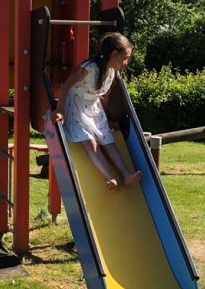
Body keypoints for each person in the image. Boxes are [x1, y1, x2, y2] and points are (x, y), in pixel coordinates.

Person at [53, 32, 143, 191]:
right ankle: (111, 177)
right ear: (114, 54)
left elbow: (103, 96)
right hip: (76, 107)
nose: (126, 62)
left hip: (93, 107)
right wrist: (60, 110)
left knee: (107, 140)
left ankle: (125, 174)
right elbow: (66, 86)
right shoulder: (87, 69)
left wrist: (107, 118)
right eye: (125, 58)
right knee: (91, 141)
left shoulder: (111, 72)